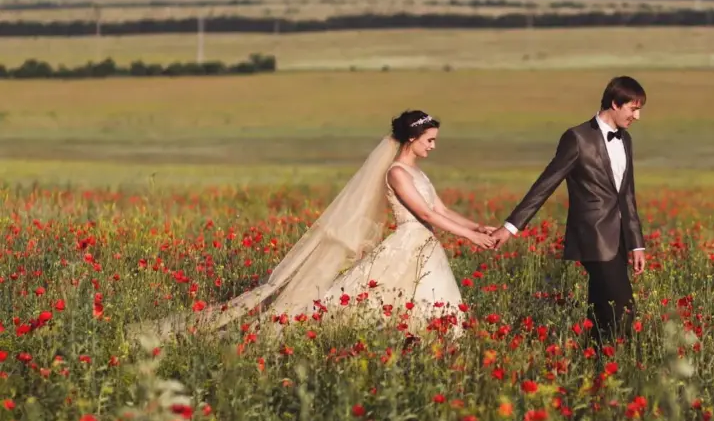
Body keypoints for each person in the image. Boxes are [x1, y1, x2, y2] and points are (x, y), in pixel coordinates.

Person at [136, 110, 496, 343]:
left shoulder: (417, 173)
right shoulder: (397, 173)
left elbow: (441, 209)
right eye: (429, 140)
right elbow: (427, 216)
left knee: (425, 305)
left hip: (426, 248)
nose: (433, 146)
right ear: (411, 139)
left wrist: (478, 227)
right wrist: (469, 237)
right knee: (374, 305)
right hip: (406, 245)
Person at [490, 76, 647, 348]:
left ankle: (592, 362)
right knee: (622, 309)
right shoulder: (577, 138)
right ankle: (618, 360)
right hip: (592, 238)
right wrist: (511, 227)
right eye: (633, 109)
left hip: (620, 241)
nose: (637, 116)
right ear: (614, 103)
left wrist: (636, 244)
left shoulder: (626, 140)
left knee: (601, 311)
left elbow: (627, 195)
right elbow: (545, 184)